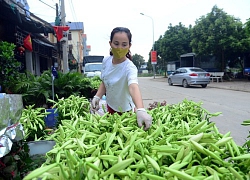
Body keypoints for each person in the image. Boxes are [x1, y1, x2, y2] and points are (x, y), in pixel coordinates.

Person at [91, 27, 152, 130]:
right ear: (110, 43)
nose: (119, 48)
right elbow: (105, 81)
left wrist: (141, 109)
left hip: (125, 111)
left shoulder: (129, 67)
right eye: (116, 43)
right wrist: (97, 96)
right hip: (110, 106)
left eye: (124, 44)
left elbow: (133, 87)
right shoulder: (106, 61)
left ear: (129, 46)